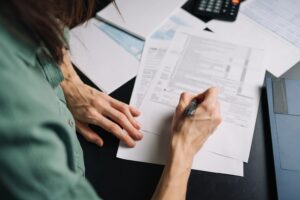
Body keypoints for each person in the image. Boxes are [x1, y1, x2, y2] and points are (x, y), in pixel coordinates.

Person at [0, 1, 222, 200]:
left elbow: (48, 22)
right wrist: (184, 146)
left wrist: (66, 82)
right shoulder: (21, 129)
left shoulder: (22, 13)